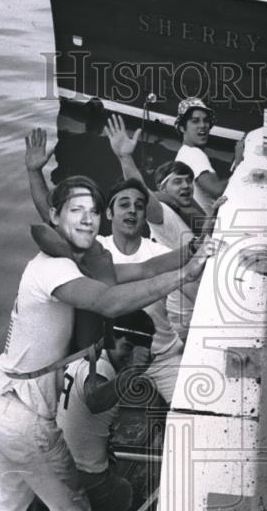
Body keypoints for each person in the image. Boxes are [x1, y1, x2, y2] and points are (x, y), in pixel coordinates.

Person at [0, 173, 214, 511]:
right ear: (57, 216)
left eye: (92, 211)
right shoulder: (55, 271)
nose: (88, 219)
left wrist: (195, 250)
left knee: (11, 502)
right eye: (77, 211)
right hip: (24, 417)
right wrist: (186, 277)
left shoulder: (70, 263)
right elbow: (108, 303)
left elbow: (143, 270)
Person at [104, 114, 226, 343]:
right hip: (186, 315)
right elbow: (140, 189)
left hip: (198, 299)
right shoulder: (161, 214)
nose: (186, 186)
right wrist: (125, 157)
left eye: (188, 181)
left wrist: (213, 215)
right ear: (162, 188)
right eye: (177, 182)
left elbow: (198, 243)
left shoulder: (188, 210)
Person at [57, 311, 155, 511]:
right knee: (129, 496)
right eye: (127, 348)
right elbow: (96, 400)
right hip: (85, 475)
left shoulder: (85, 357)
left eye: (138, 352)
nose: (130, 357)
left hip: (57, 463)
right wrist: (133, 371)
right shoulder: (102, 370)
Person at [96, 177, 185, 404]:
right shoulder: (97, 250)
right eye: (124, 204)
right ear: (109, 213)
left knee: (189, 411)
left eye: (139, 206)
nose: (132, 211)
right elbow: (56, 220)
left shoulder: (160, 253)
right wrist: (34, 171)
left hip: (161, 356)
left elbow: (196, 283)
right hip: (110, 356)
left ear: (145, 216)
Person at [175, 97, 233, 216]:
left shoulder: (183, 153)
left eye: (206, 120)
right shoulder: (194, 155)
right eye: (195, 121)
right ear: (182, 127)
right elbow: (217, 190)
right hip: (211, 226)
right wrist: (239, 163)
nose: (203, 125)